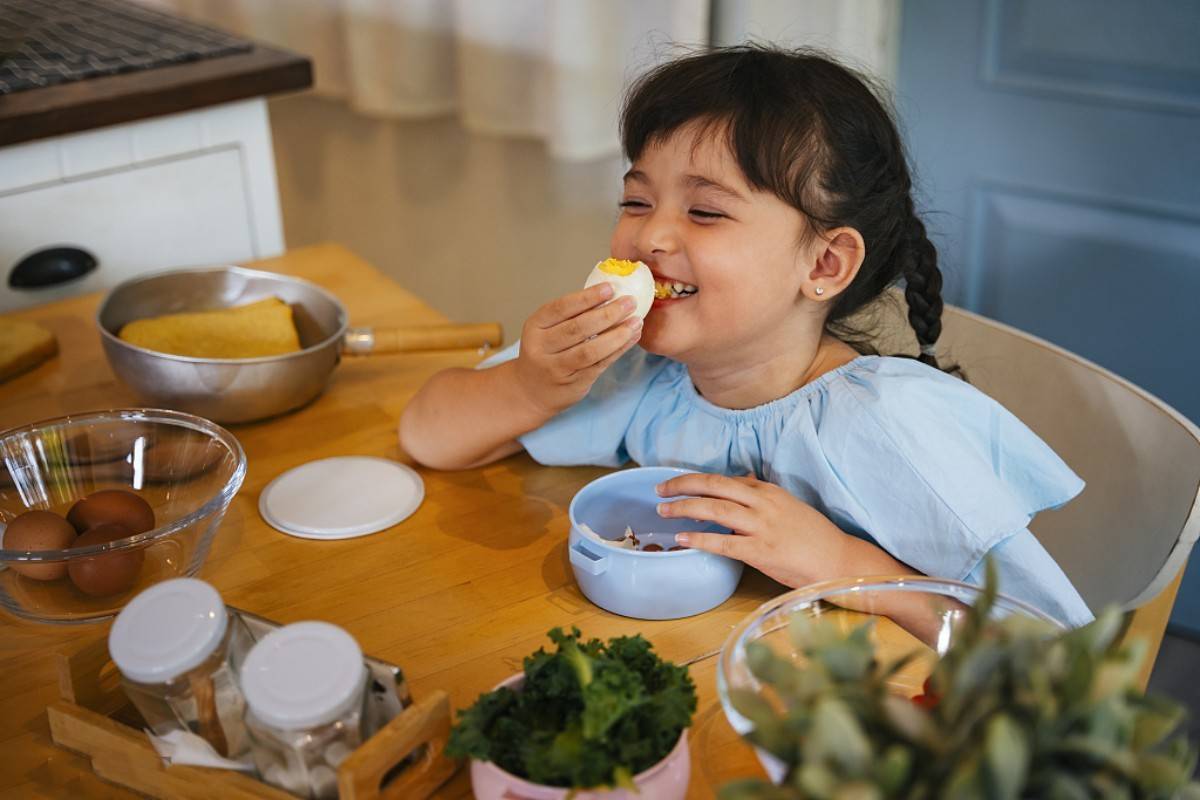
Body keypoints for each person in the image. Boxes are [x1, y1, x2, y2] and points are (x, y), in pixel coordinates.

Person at [400, 45, 1093, 627]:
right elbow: (429, 436)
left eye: (704, 211)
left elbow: (1047, 649)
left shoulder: (888, 430)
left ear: (823, 264)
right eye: (636, 201)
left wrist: (851, 568)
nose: (649, 235)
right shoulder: (644, 374)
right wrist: (530, 385)